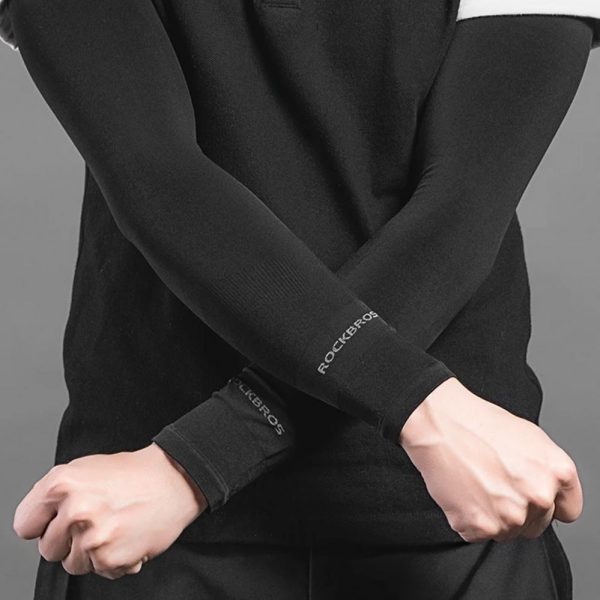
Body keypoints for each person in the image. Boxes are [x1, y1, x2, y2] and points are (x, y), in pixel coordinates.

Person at [4, 0, 598, 597]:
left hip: (451, 505)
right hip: (146, 521)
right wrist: (423, 407)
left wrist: (198, 461)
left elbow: (460, 209)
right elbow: (154, 172)